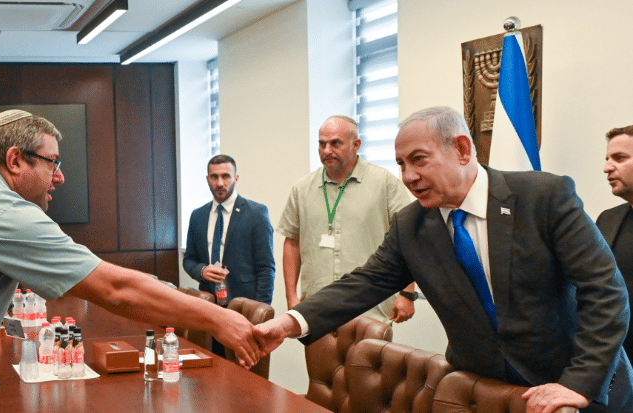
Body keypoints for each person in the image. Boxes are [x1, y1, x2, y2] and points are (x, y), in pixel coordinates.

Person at [255, 106, 633, 413]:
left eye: (418, 160)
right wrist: (290, 322)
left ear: (463, 149)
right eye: (401, 164)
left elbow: (605, 291)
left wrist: (578, 384)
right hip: (481, 392)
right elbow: (365, 283)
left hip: (577, 389)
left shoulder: (543, 197)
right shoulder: (412, 225)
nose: (408, 176)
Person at [0, 110, 261, 413]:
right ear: (15, 160)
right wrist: (220, 320)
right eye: (53, 163)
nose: (60, 177)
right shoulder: (2, 210)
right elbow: (116, 289)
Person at [277, 114, 416, 324]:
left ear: (356, 145)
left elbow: (407, 239)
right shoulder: (302, 189)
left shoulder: (384, 183)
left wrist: (407, 293)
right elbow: (292, 242)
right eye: (322, 144)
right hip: (316, 309)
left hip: (370, 308)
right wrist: (291, 296)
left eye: (335, 143)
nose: (327, 150)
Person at [183, 154, 276, 355]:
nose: (220, 183)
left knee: (242, 371)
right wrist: (201, 270)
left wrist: (259, 314)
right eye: (214, 177)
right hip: (209, 310)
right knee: (210, 365)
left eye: (226, 176)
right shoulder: (198, 216)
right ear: (207, 179)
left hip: (242, 312)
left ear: (236, 178)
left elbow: (266, 269)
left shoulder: (256, 213)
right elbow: (189, 259)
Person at [597, 125, 633, 362]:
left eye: (619, 158)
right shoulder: (608, 220)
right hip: (618, 361)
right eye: (608, 159)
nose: (607, 168)